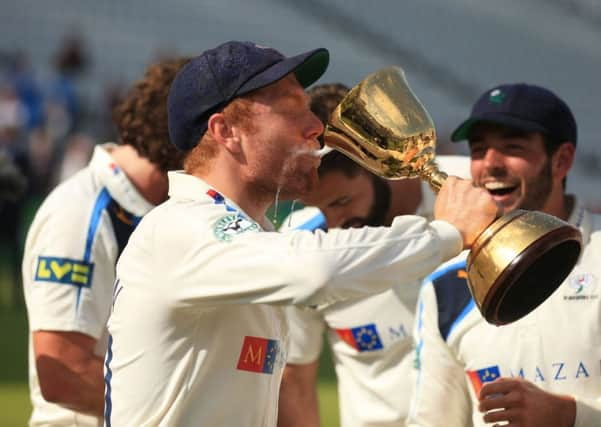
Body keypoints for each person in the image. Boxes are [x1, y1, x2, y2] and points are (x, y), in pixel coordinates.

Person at [103, 40, 497, 427]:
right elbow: (315, 271)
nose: (316, 128)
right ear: (226, 131)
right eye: (293, 110)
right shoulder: (181, 227)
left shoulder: (247, 233)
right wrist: (446, 234)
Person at [407, 83, 601, 427]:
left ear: (562, 160)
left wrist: (571, 416)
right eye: (479, 150)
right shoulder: (447, 283)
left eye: (513, 148)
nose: (490, 165)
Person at [277, 83, 470, 427]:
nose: (334, 224)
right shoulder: (303, 244)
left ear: (382, 164)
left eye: (340, 202)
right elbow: (295, 377)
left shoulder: (471, 194)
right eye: (319, 209)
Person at [21, 56, 189, 426]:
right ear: (186, 134)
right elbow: (63, 372)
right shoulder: (81, 213)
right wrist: (186, 412)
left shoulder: (160, 209)